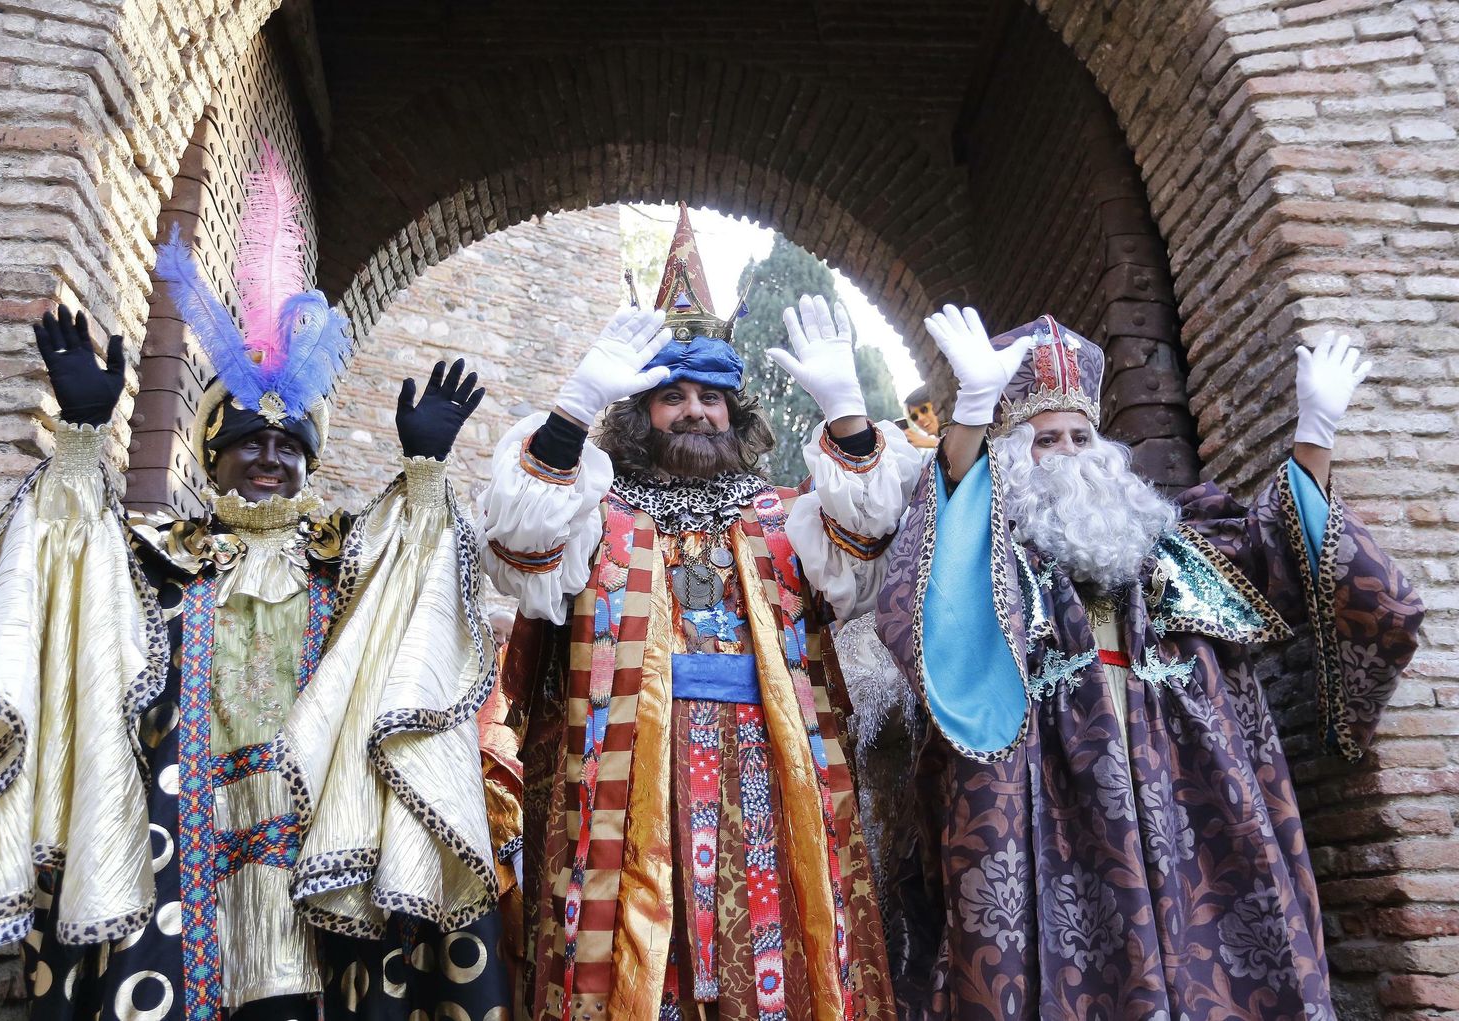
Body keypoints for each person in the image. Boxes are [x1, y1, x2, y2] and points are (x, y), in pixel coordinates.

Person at [0, 141, 507, 1021]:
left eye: (287, 444)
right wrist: (81, 437)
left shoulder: (345, 557)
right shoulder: (158, 552)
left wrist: (423, 472)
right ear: (213, 453)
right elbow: (69, 581)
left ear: (308, 462)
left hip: (313, 834)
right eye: (247, 442)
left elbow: (414, 605)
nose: (267, 456)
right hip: (173, 827)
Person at [872, 306, 1425, 1018]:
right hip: (1047, 804)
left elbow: (1284, 566)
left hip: (1193, 810)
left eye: (1081, 434)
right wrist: (972, 417)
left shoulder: (1171, 545)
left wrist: (1315, 438)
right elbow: (936, 588)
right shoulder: (991, 555)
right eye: (1046, 440)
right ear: (1010, 458)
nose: (1070, 451)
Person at [478, 205, 914, 1020]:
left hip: (770, 779)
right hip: (625, 783)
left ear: (736, 412)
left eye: (712, 396)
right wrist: (572, 409)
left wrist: (850, 418)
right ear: (637, 413)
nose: (695, 411)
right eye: (671, 396)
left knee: (771, 956)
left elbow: (868, 548)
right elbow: (517, 544)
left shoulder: (789, 515)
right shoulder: (595, 514)